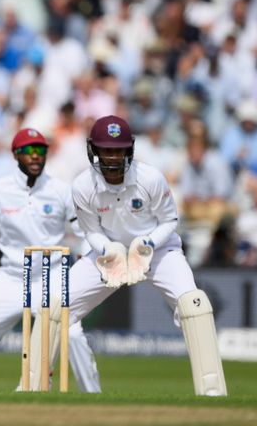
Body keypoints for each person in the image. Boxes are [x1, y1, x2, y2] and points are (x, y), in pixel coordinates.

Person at [66, 115, 227, 396]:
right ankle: (35, 387)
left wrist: (147, 245)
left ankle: (213, 395)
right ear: (95, 150)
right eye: (106, 150)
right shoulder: (82, 185)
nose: (113, 157)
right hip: (108, 252)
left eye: (118, 150)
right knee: (56, 307)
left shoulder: (149, 177)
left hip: (159, 250)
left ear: (129, 150)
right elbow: (90, 231)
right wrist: (109, 250)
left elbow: (170, 220)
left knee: (194, 305)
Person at [0, 128, 101, 393]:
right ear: (16, 154)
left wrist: (89, 260)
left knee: (73, 336)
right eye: (29, 151)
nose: (35, 156)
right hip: (10, 279)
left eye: (40, 151)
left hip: (51, 278)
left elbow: (85, 233)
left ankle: (95, 398)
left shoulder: (62, 190)